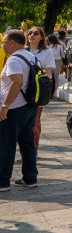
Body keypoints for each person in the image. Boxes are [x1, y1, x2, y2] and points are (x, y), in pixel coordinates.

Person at [0, 30, 39, 192]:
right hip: (30, 105)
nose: (2, 45)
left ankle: (2, 181)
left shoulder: (14, 60)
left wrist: (5, 105)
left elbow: (17, 82)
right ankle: (30, 178)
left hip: (15, 107)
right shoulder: (31, 56)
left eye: (4, 42)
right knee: (27, 142)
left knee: (6, 144)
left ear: (12, 42)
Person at [26, 26, 54, 151]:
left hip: (38, 90)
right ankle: (26, 148)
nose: (32, 35)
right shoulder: (23, 51)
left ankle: (34, 148)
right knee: (24, 121)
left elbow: (47, 73)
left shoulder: (47, 52)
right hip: (23, 90)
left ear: (41, 37)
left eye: (36, 33)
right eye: (30, 33)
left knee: (35, 119)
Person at [47, 34, 64, 98]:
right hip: (57, 61)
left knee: (49, 76)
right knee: (56, 78)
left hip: (49, 62)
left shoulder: (48, 47)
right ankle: (53, 94)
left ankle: (48, 93)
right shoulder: (59, 46)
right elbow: (62, 55)